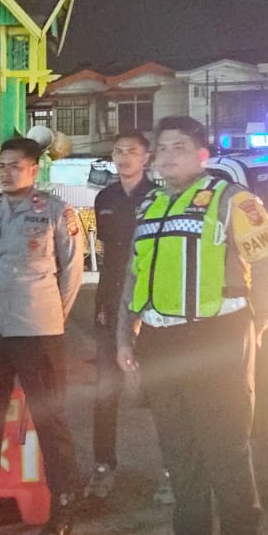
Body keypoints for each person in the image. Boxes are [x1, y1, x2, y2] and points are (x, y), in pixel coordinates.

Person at [116, 115, 268, 535]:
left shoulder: (233, 200)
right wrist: (126, 334)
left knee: (226, 453)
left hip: (218, 339)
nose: (167, 156)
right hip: (160, 339)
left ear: (202, 155)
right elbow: (134, 273)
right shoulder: (150, 204)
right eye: (162, 148)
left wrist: (258, 321)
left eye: (179, 147)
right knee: (180, 454)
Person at [0, 135, 85, 535]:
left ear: (34, 169)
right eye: (1, 165)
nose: (6, 172)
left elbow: (72, 271)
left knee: (50, 419)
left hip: (39, 330)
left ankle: (63, 507)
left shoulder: (57, 212)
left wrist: (51, 316)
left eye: (15, 165)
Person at [85, 129, 162, 503]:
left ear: (146, 157)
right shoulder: (105, 198)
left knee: (162, 390)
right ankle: (103, 466)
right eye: (118, 151)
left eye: (132, 151)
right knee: (106, 390)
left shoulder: (161, 198)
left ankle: (172, 470)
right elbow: (111, 255)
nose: (124, 157)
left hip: (154, 304)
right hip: (111, 301)